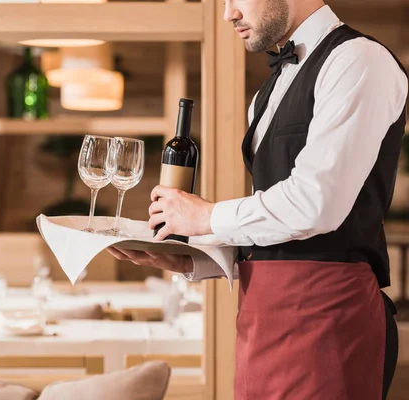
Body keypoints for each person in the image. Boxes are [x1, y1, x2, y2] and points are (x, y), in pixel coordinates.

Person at [107, 0, 408, 398]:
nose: (227, 13)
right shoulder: (268, 92)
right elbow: (276, 228)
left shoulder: (359, 60)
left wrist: (207, 216)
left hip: (328, 320)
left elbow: (316, 205)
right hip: (260, 322)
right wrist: (195, 258)